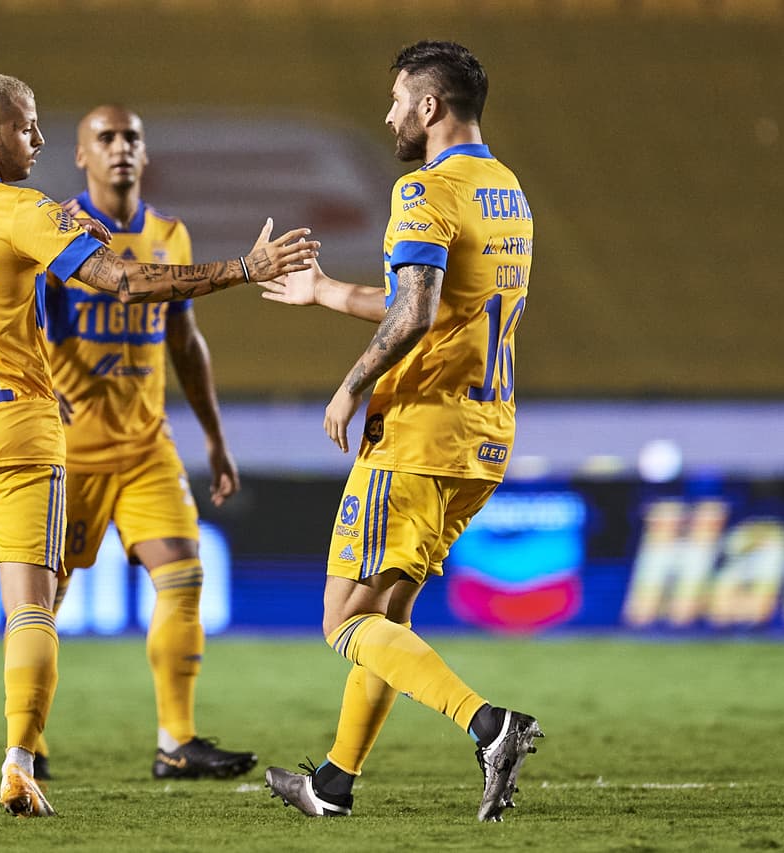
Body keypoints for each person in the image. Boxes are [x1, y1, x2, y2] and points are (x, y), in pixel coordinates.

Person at [0, 71, 316, 817]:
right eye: (27, 126)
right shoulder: (23, 212)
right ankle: (20, 765)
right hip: (24, 432)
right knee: (30, 607)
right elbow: (119, 279)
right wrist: (240, 269)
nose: (39, 139)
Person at [259, 41, 543, 823]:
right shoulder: (505, 190)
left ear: (429, 108)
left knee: (345, 620)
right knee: (388, 616)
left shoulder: (424, 190)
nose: (388, 114)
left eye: (397, 101)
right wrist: (322, 291)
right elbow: (437, 307)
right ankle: (334, 781)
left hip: (417, 433)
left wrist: (351, 387)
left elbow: (414, 314)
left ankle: (491, 725)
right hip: (483, 437)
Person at [35, 104, 255, 781]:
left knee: (184, 576)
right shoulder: (57, 231)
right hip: (71, 450)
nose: (120, 147)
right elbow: (19, 329)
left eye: (131, 136)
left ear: (144, 151)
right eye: (105, 137)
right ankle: (27, 742)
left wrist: (215, 438)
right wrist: (46, 392)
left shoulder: (169, 235)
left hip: (147, 445)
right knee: (43, 598)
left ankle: (177, 740)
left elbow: (185, 342)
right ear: (81, 155)